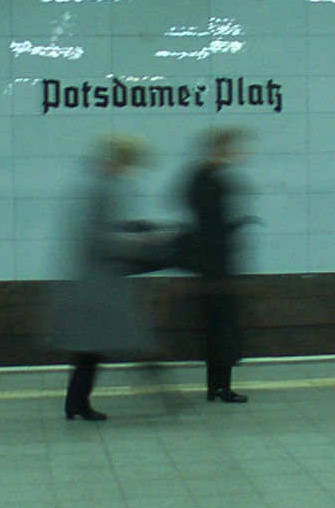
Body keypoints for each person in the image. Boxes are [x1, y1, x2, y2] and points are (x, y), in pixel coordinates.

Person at [49, 134, 166, 421]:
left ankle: (76, 403)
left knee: (91, 350)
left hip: (96, 283)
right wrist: (139, 242)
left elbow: (102, 229)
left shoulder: (97, 185)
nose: (130, 170)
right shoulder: (101, 189)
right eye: (128, 163)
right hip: (97, 286)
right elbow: (98, 238)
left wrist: (134, 229)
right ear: (117, 161)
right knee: (98, 347)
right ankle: (78, 404)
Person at [182, 127, 254, 403]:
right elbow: (213, 223)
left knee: (217, 328)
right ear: (220, 150)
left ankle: (216, 387)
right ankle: (222, 387)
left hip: (209, 266)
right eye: (233, 148)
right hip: (217, 267)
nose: (238, 153)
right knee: (223, 327)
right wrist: (237, 224)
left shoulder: (200, 177)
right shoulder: (210, 180)